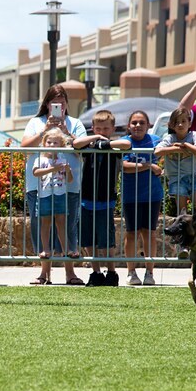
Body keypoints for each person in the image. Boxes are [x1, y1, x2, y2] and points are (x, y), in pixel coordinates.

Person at [21, 84, 85, 286]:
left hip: (69, 185)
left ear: (66, 104)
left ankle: (70, 273)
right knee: (42, 226)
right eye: (54, 102)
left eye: (62, 102)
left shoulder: (75, 123)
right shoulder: (35, 122)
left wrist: (67, 133)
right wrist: (44, 131)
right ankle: (44, 273)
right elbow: (25, 147)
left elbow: (83, 150)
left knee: (68, 226)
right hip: (38, 185)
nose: (58, 106)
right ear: (47, 104)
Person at [73, 110, 131, 286]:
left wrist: (107, 143)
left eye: (106, 128)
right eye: (98, 128)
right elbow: (76, 143)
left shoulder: (114, 146)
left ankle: (112, 272)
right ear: (92, 128)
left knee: (106, 238)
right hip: (86, 197)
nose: (102, 132)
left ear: (113, 128)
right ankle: (95, 271)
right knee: (88, 238)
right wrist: (93, 139)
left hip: (106, 199)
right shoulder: (89, 145)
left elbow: (126, 145)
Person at [154, 107, 196, 259]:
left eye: (184, 121)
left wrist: (185, 146)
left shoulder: (194, 135)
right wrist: (174, 147)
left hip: (195, 176)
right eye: (176, 122)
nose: (180, 125)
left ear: (190, 123)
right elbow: (157, 152)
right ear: (171, 125)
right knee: (181, 213)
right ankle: (184, 244)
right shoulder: (169, 138)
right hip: (177, 178)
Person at [120, 110, 163, 286]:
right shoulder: (124, 143)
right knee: (131, 233)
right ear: (129, 126)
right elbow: (124, 165)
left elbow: (165, 155)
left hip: (152, 195)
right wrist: (148, 165)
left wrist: (157, 167)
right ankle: (131, 272)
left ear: (148, 125)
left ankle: (149, 272)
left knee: (150, 233)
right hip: (131, 195)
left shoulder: (155, 141)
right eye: (134, 123)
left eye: (141, 123)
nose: (138, 126)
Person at [32, 129, 75, 281]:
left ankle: (66, 249)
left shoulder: (63, 159)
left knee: (61, 223)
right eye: (49, 142)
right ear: (44, 143)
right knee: (45, 223)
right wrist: (53, 168)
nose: (51, 145)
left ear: (61, 145)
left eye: (55, 142)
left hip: (60, 194)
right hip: (44, 195)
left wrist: (67, 170)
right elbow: (36, 173)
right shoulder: (40, 159)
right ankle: (46, 249)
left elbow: (69, 180)